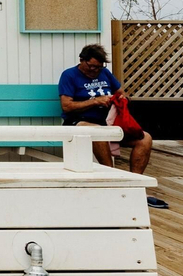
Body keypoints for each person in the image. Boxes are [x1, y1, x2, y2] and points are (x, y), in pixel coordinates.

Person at [58, 44, 168, 209]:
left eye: (98, 67)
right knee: (98, 133)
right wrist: (95, 101)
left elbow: (121, 92)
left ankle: (134, 185)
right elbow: (66, 106)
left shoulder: (105, 73)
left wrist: (121, 99)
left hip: (109, 121)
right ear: (82, 60)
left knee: (145, 139)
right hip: (79, 121)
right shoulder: (69, 75)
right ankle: (111, 181)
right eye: (92, 66)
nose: (95, 71)